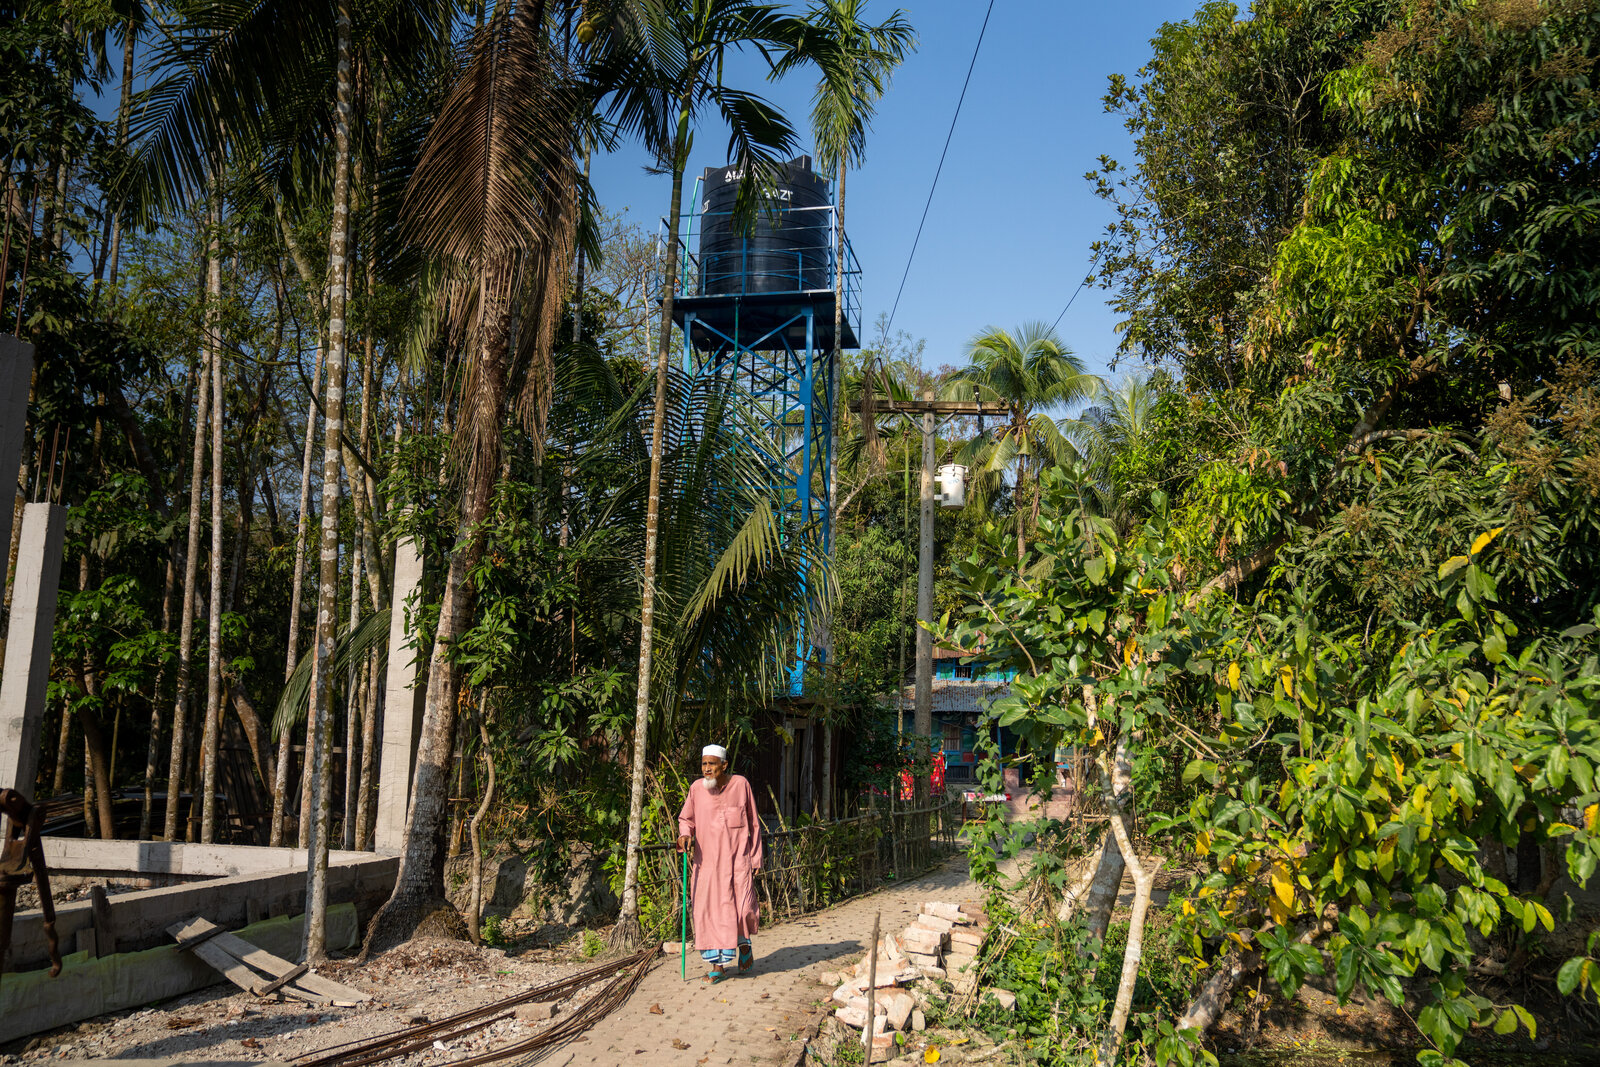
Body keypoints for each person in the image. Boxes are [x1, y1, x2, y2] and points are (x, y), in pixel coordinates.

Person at [676, 744, 763, 982]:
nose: (706, 769)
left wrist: (756, 857)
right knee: (711, 913)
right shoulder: (696, 789)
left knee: (744, 909)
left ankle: (744, 944)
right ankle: (718, 967)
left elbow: (754, 823)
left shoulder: (741, 785)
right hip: (708, 865)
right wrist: (684, 834)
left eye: (711, 764)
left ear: (723, 765)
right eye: (704, 764)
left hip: (738, 862)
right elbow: (686, 819)